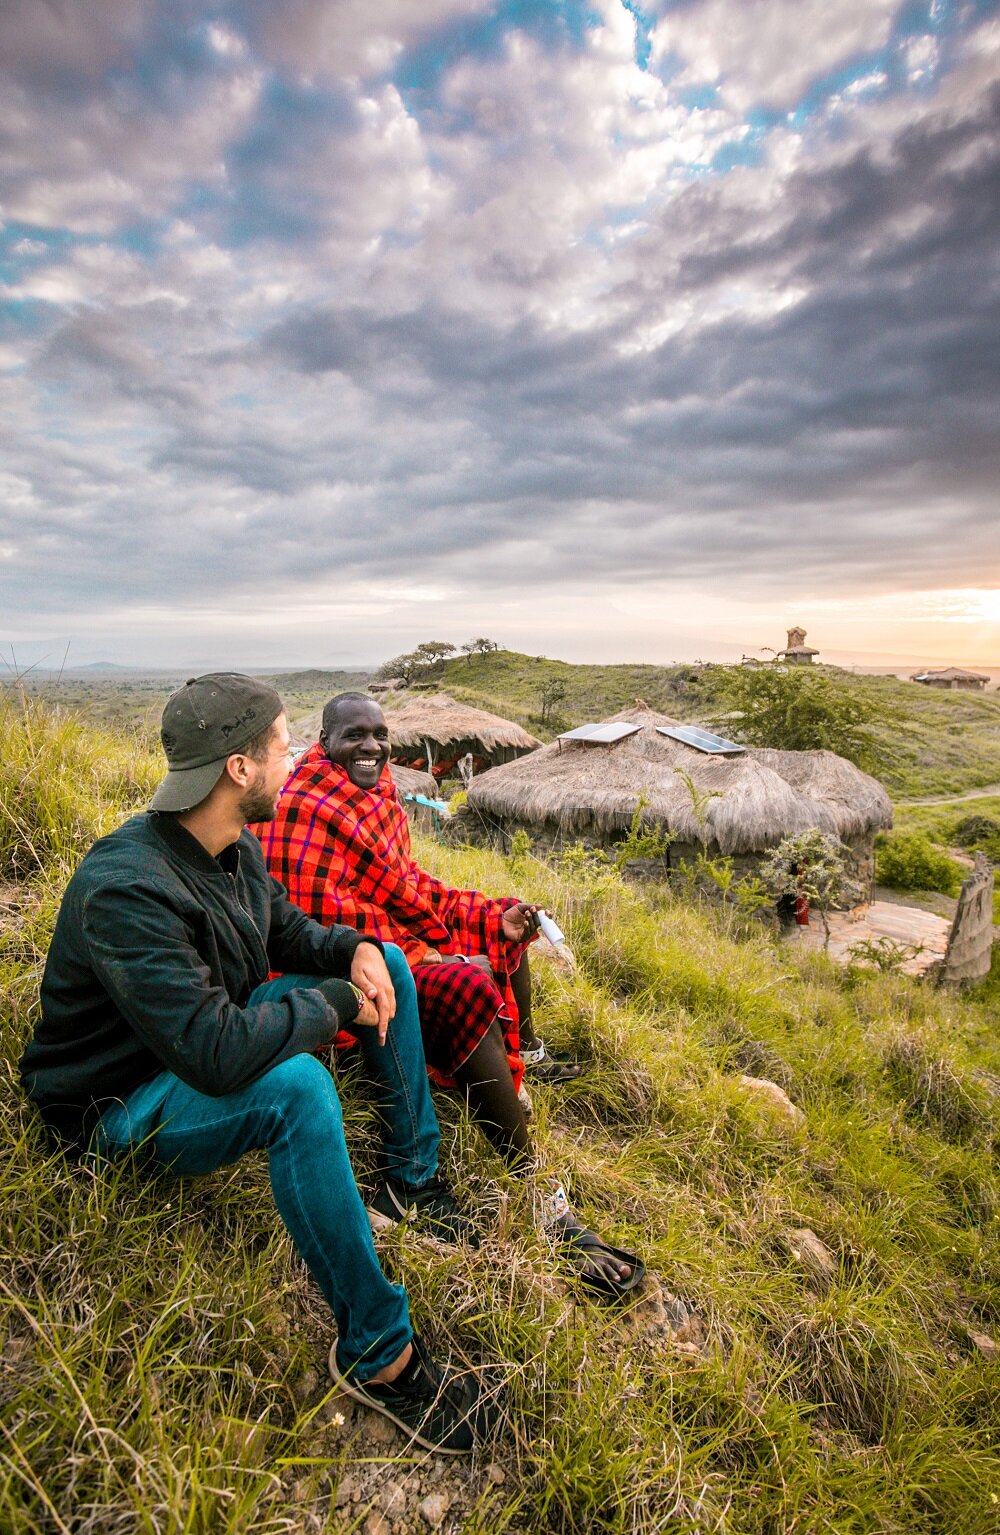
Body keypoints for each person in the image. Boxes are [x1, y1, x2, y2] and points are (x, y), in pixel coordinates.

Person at [19, 673, 493, 1454]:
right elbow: (216, 1051)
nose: (297, 757)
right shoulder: (126, 887)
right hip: (119, 1104)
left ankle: (413, 1178)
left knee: (394, 968)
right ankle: (379, 1352)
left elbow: (291, 934)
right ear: (238, 768)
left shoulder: (231, 845)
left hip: (193, 1054)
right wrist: (335, 1005)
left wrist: (356, 952)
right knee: (299, 1088)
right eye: (282, 745)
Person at [253, 691, 644, 1300]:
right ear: (324, 741)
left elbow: (407, 887)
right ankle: (540, 1200)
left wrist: (485, 919)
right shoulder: (300, 808)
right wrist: (435, 953)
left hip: (387, 954)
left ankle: (525, 1092)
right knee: (465, 982)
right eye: (354, 735)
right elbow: (316, 931)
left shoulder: (377, 798)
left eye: (379, 735)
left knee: (499, 933)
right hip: (331, 982)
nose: (372, 747)